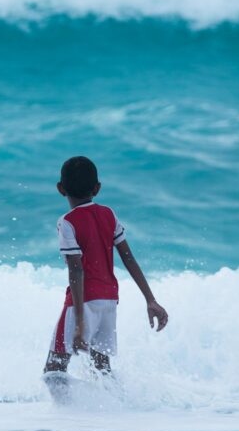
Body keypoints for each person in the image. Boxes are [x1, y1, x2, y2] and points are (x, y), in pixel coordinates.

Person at [44, 156, 168, 375]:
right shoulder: (108, 214)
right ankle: (114, 408)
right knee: (102, 370)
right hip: (109, 300)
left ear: (60, 189)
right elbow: (129, 258)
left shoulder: (67, 222)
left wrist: (81, 321)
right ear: (97, 188)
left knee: (54, 370)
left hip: (82, 303)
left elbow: (76, 269)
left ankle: (69, 409)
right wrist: (151, 300)